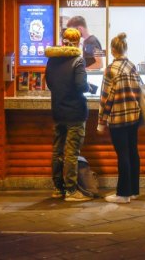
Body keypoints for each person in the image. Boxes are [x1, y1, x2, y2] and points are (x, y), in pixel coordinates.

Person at [45, 27, 97, 202]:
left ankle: (58, 188)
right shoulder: (77, 60)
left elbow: (50, 84)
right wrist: (89, 87)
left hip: (58, 110)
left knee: (57, 149)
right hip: (75, 112)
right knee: (71, 152)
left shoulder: (52, 60)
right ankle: (71, 190)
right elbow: (81, 85)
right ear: (77, 42)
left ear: (63, 41)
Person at [97, 32, 141, 204]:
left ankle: (123, 194)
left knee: (122, 154)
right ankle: (134, 191)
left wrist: (101, 121)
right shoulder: (132, 66)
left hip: (118, 118)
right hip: (133, 116)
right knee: (132, 152)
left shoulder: (110, 69)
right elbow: (139, 90)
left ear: (113, 50)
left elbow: (105, 97)